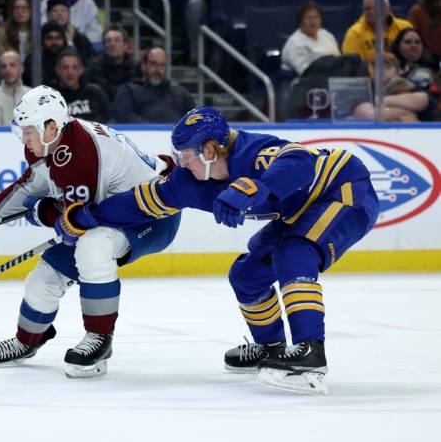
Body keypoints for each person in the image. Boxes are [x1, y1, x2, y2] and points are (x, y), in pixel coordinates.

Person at [58, 106, 379, 394]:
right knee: (246, 275)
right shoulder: (188, 181)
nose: (181, 162)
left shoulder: (254, 152)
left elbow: (299, 162)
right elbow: (139, 202)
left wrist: (250, 188)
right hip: (299, 212)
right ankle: (272, 347)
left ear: (210, 150)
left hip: (344, 190)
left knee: (293, 254)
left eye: (186, 154)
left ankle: (311, 352)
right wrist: (87, 216)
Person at [0, 85, 180, 378]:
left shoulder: (81, 153)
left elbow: (77, 223)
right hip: (108, 212)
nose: (24, 138)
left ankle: (100, 339)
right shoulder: (48, 143)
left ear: (51, 126)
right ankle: (27, 341)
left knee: (92, 247)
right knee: (44, 276)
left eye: (29, 130)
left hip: (152, 216)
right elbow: (31, 185)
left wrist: (40, 212)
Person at [109, 47, 195, 123]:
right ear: (144, 65)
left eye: (162, 65)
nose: (158, 69)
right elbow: (123, 116)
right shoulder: (128, 90)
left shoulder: (181, 92)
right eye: (153, 64)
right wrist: (152, 130)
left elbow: (195, 118)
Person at [352, 52, 435, 122]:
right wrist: (404, 112)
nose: (382, 71)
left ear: (398, 72)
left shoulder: (408, 87)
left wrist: (381, 101)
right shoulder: (366, 90)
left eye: (388, 67)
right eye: (377, 67)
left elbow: (422, 100)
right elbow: (364, 114)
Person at [342, 0, 413, 66]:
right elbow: (351, 65)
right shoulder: (354, 33)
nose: (372, 12)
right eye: (368, 9)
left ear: (388, 9)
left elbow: (416, 54)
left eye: (377, 8)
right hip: (369, 77)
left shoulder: (405, 27)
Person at [281, 0, 341, 76]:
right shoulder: (295, 43)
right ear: (300, 21)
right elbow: (306, 73)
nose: (313, 22)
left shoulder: (326, 35)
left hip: (333, 81)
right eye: (309, 18)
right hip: (303, 83)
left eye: (316, 17)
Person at [52, 50, 109, 122]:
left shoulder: (95, 93)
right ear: (57, 70)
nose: (70, 72)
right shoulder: (51, 97)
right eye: (65, 68)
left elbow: (108, 120)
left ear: (81, 70)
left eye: (74, 67)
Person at [84, 24, 137, 101]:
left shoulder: (134, 66)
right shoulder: (94, 66)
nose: (112, 44)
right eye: (108, 41)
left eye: (117, 40)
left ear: (125, 45)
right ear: (103, 45)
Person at [0, 50, 31, 125]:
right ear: (0, 70)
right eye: (3, 66)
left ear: (21, 69)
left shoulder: (34, 97)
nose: (8, 70)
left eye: (12, 65)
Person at [46, 0, 95, 66]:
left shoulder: (80, 38)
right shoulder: (42, 36)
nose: (59, 14)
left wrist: (70, 43)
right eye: (55, 10)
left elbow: (89, 62)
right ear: (49, 15)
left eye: (63, 10)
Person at [22, 21, 67, 86]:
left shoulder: (70, 60)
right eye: (49, 38)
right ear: (42, 40)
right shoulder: (33, 61)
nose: (54, 42)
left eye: (58, 38)